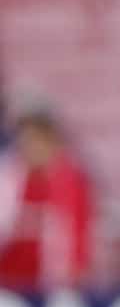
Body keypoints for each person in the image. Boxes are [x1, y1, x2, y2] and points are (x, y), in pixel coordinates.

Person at [0, 109, 93, 291]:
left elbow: (80, 231)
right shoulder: (7, 177)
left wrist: (75, 273)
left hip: (54, 283)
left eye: (35, 140)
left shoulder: (71, 182)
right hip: (7, 281)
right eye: (25, 140)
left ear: (50, 141)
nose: (29, 146)